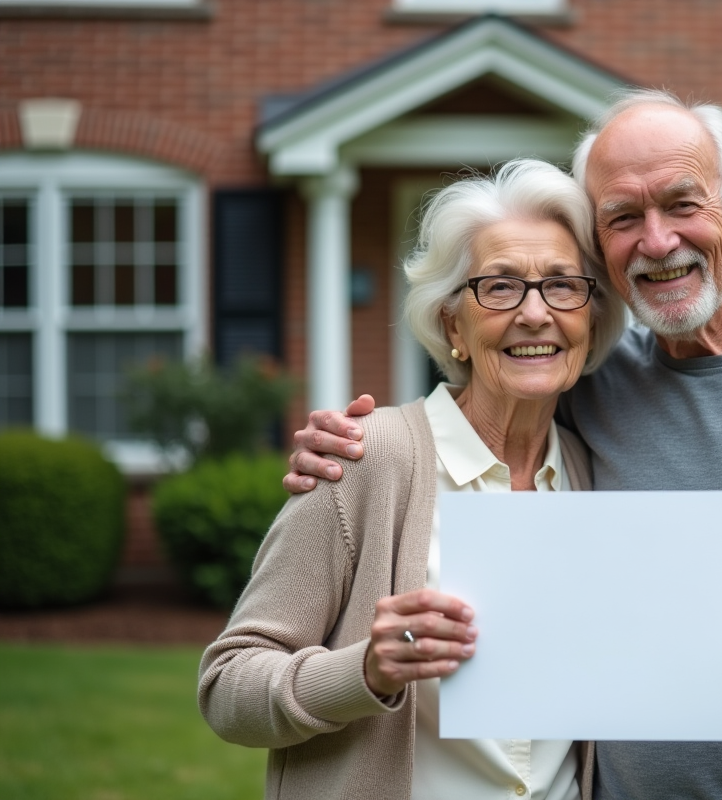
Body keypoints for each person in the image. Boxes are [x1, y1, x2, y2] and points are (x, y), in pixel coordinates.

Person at [285, 89, 722, 799]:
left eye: (683, 204)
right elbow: (476, 414)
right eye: (624, 217)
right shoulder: (586, 383)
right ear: (601, 247)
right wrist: (351, 446)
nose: (657, 242)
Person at [198, 159, 627, 800]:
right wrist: (365, 671)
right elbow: (227, 686)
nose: (536, 314)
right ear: (454, 325)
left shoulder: (595, 474)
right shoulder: (363, 458)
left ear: (590, 318)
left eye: (563, 286)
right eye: (500, 287)